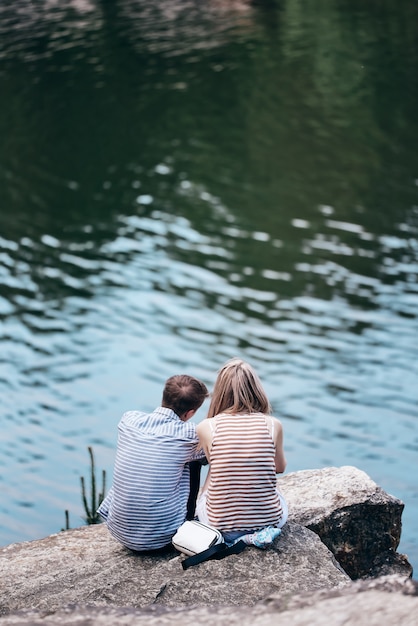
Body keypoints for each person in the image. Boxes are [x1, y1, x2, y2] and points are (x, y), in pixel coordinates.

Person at [97, 374, 209, 552]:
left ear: (163, 397)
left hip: (118, 530)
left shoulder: (129, 419)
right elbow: (212, 452)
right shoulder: (189, 435)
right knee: (195, 459)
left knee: (143, 462)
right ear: (190, 413)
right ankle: (187, 521)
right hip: (161, 537)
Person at [196, 358, 287, 545]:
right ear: (257, 389)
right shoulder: (273, 424)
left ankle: (235, 536)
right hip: (270, 522)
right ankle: (254, 535)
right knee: (275, 487)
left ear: (220, 392)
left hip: (219, 527)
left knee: (215, 467)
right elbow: (280, 468)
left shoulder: (207, 427)